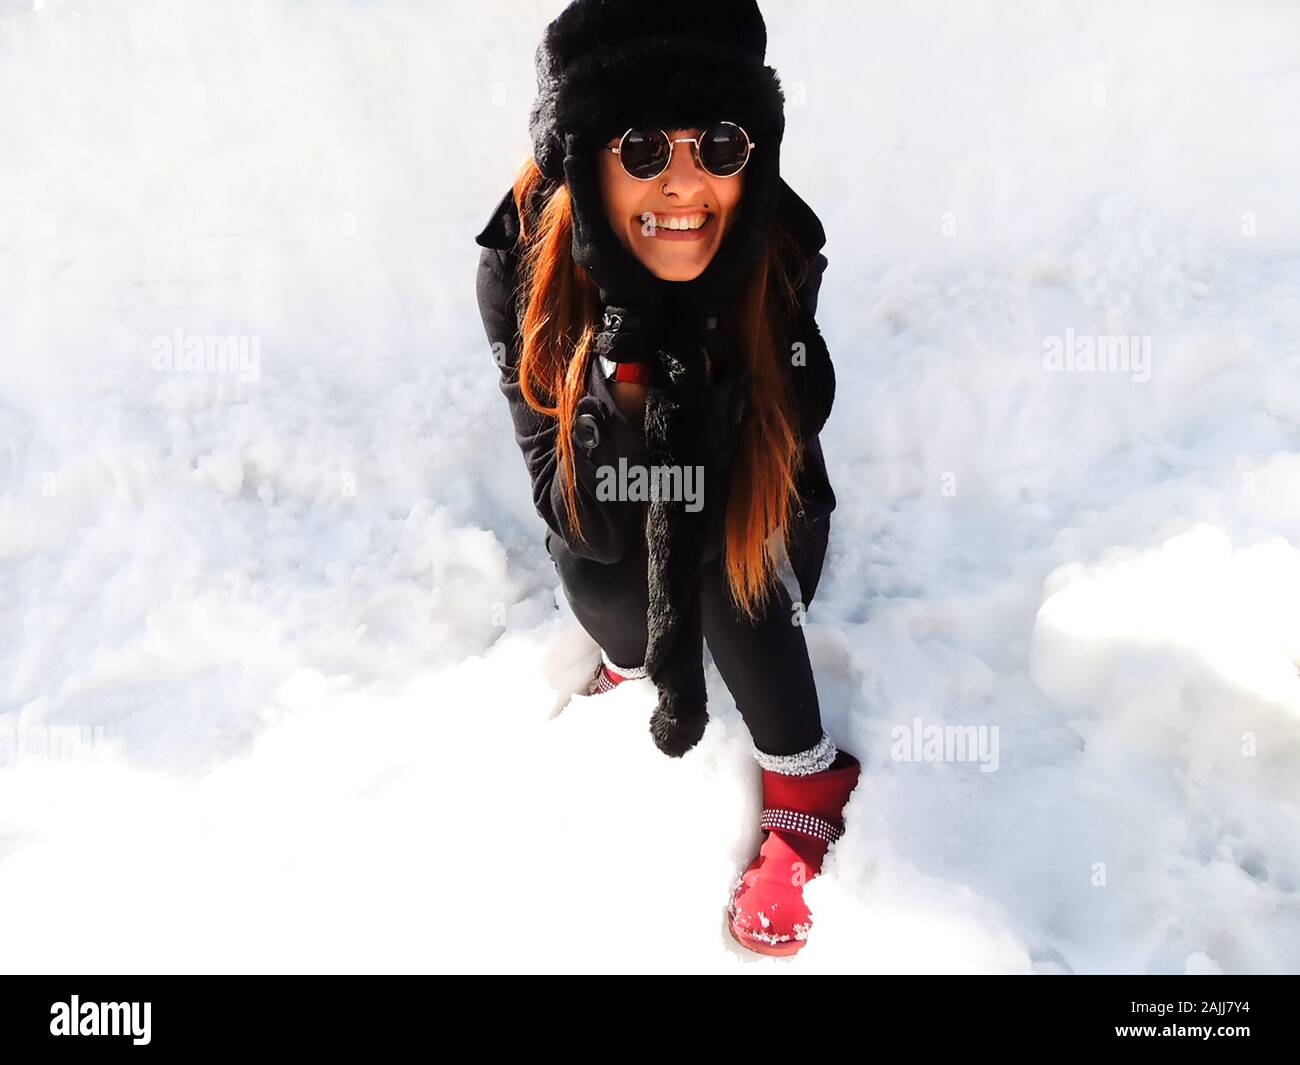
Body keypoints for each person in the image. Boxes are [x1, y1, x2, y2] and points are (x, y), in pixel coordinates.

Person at [473, 0, 861, 957]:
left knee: (707, 504)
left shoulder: (770, 234)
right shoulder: (518, 264)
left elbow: (800, 421)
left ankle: (805, 776)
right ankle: (631, 654)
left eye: (718, 142)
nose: (685, 182)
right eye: (641, 143)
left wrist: (708, 359)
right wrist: (624, 385)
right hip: (608, 525)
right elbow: (568, 502)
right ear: (581, 155)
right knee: (608, 568)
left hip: (764, 531)